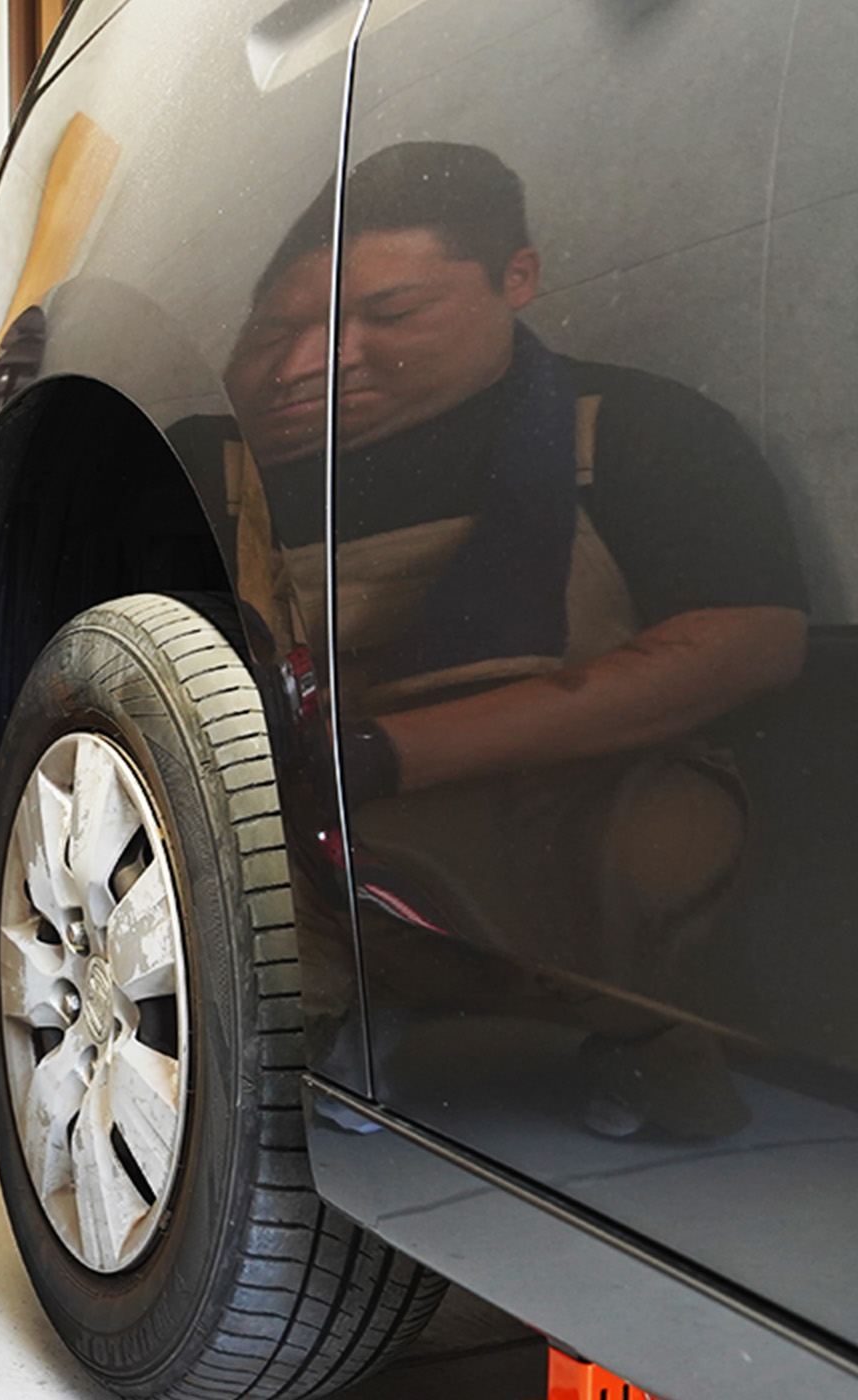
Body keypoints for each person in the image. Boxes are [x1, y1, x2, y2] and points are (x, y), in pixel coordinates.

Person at [190, 142, 808, 1134]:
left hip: (569, 790)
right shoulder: (219, 464)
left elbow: (752, 641)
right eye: (284, 325)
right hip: (314, 805)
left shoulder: (636, 427)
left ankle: (630, 1036)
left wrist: (390, 752)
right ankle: (355, 999)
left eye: (388, 316)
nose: (312, 362)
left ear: (514, 278)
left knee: (652, 845)